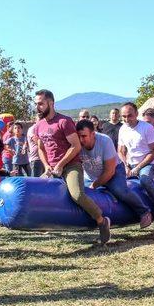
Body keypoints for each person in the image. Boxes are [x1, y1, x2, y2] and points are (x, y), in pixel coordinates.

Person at [33, 89, 111, 244]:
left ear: (51, 103)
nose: (38, 107)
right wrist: (47, 165)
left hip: (71, 166)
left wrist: (61, 164)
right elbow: (40, 149)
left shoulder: (64, 121)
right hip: (52, 168)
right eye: (36, 104)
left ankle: (102, 221)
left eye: (41, 103)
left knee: (76, 195)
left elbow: (75, 146)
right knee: (38, 192)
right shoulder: (38, 126)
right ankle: (46, 223)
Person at [76, 119, 153, 228]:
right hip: (91, 176)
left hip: (114, 172)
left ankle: (144, 212)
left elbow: (109, 171)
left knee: (120, 191)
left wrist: (94, 185)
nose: (81, 139)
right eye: (78, 136)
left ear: (93, 134)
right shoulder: (76, 144)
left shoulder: (104, 141)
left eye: (84, 136)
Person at [118, 103, 154, 230]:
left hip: (148, 164)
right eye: (124, 117)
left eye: (130, 116)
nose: (127, 119)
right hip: (130, 165)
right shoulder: (122, 129)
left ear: (136, 114)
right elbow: (121, 151)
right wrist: (126, 166)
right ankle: (141, 212)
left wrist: (138, 168)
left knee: (145, 180)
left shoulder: (146, 128)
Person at [27, 113, 44, 177]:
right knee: (35, 181)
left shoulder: (43, 128)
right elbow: (38, 142)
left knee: (44, 181)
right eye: (39, 119)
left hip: (44, 159)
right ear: (36, 120)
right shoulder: (32, 129)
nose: (41, 121)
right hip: (36, 159)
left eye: (42, 119)